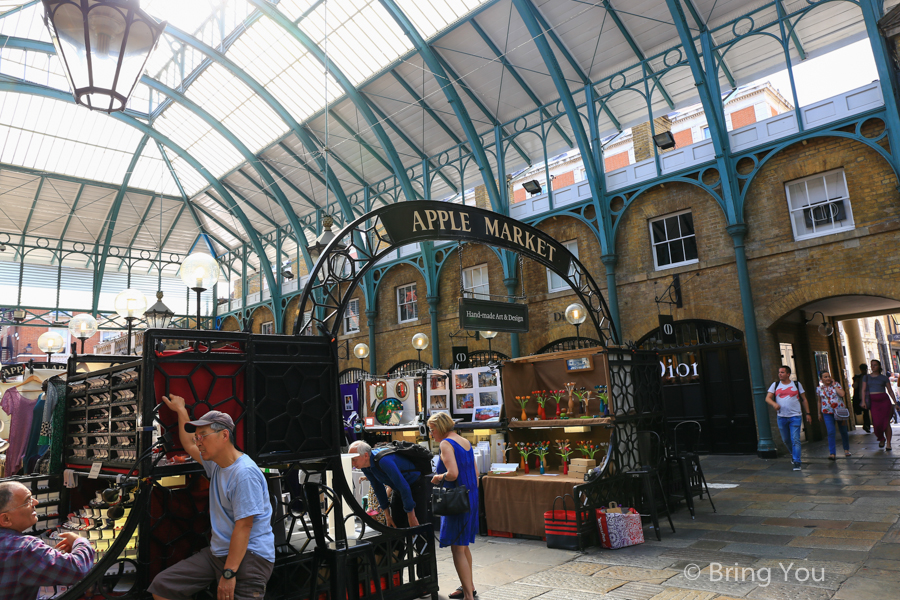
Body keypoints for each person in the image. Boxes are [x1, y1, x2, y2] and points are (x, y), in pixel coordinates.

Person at [150, 398, 274, 600]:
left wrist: (229, 573)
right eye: (197, 436)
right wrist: (181, 410)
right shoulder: (216, 463)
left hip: (249, 556)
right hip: (219, 552)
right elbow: (188, 444)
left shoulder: (244, 474)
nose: (198, 441)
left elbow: (244, 527)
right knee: (162, 587)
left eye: (203, 436)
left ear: (224, 435)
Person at [0, 480, 95, 600]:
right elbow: (77, 569)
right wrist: (80, 541)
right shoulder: (25, 548)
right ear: (6, 519)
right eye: (27, 501)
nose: (36, 502)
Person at [428, 412, 478, 600]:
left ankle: (468, 595)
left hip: (456, 501)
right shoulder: (464, 441)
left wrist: (438, 477)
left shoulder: (446, 443)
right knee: (463, 546)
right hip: (469, 497)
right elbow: (474, 471)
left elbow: (453, 473)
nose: (431, 434)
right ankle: (469, 587)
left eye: (432, 430)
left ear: (440, 428)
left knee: (457, 548)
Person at [348, 440, 430, 530]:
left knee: (418, 526)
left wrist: (411, 517)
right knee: (396, 526)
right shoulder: (365, 466)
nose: (352, 464)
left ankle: (421, 541)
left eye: (354, 459)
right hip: (398, 488)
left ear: (366, 455)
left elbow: (403, 486)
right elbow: (378, 488)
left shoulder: (383, 461)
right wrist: (387, 515)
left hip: (415, 484)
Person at [765, 365, 812, 471]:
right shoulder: (775, 385)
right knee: (786, 439)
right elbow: (767, 398)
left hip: (795, 416)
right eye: (779, 372)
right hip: (781, 417)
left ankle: (797, 461)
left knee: (795, 439)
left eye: (782, 372)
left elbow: (804, 399)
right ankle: (793, 453)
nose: (780, 374)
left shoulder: (796, 384)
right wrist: (774, 404)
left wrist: (808, 413)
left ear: (788, 374)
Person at [859, 359, 900, 451]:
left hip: (884, 401)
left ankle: (888, 443)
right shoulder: (866, 377)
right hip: (873, 402)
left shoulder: (884, 378)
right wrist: (863, 401)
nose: (873, 367)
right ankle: (881, 438)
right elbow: (863, 389)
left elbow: (890, 390)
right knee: (876, 423)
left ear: (879, 366)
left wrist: (896, 402)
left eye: (875, 365)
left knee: (886, 423)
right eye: (872, 365)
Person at [816, 372, 850, 460]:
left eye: (829, 376)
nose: (827, 378)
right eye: (825, 377)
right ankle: (832, 453)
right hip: (827, 412)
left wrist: (834, 385)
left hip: (839, 411)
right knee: (831, 432)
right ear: (821, 379)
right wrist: (819, 413)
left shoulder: (837, 385)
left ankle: (846, 449)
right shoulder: (819, 389)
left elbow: (842, 394)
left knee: (843, 431)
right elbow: (819, 401)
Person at [852, 363, 871, 432]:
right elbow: (855, 386)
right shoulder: (858, 377)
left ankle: (867, 425)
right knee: (865, 412)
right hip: (861, 397)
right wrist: (856, 381)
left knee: (867, 412)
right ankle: (866, 425)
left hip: (867, 397)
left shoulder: (869, 377)